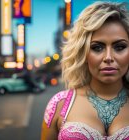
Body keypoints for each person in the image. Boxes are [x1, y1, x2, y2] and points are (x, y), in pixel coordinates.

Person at [41, 1, 129, 139]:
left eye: (119, 47)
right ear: (84, 53)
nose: (108, 57)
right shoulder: (60, 105)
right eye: (97, 48)